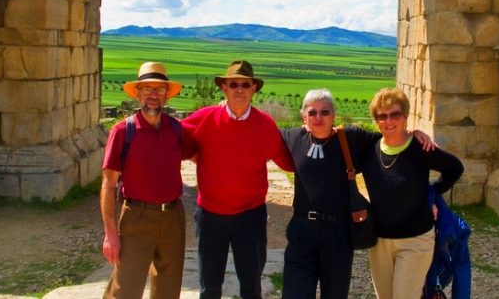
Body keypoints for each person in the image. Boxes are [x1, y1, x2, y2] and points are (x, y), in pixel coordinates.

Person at [280, 88, 437, 299]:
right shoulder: (293, 136)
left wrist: (413, 133)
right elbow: (262, 137)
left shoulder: (351, 138)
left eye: (325, 112)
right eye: (312, 112)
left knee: (335, 294)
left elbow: (389, 134)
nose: (318, 117)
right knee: (294, 294)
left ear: (334, 115)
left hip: (338, 232)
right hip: (302, 231)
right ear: (303, 116)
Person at [181, 60, 295, 299]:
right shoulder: (205, 118)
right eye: (234, 84)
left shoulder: (265, 124)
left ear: (254, 89)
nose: (239, 89)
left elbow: (289, 162)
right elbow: (174, 141)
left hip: (250, 216)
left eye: (245, 84)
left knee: (251, 287)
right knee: (209, 287)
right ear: (224, 88)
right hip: (211, 215)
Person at [99, 62, 194, 299]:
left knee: (168, 288)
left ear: (166, 95)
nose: (153, 95)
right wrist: (111, 234)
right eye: (148, 89)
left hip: (173, 216)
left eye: (159, 89)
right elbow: (108, 184)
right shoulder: (123, 132)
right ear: (138, 93)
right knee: (125, 288)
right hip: (137, 217)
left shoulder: (176, 129)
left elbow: (202, 156)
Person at [360, 87, 464, 299]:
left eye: (395, 114)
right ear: (376, 120)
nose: (389, 121)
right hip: (380, 242)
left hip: (415, 240)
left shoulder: (419, 147)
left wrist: (433, 193)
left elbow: (454, 168)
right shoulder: (370, 149)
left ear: (405, 116)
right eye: (382, 116)